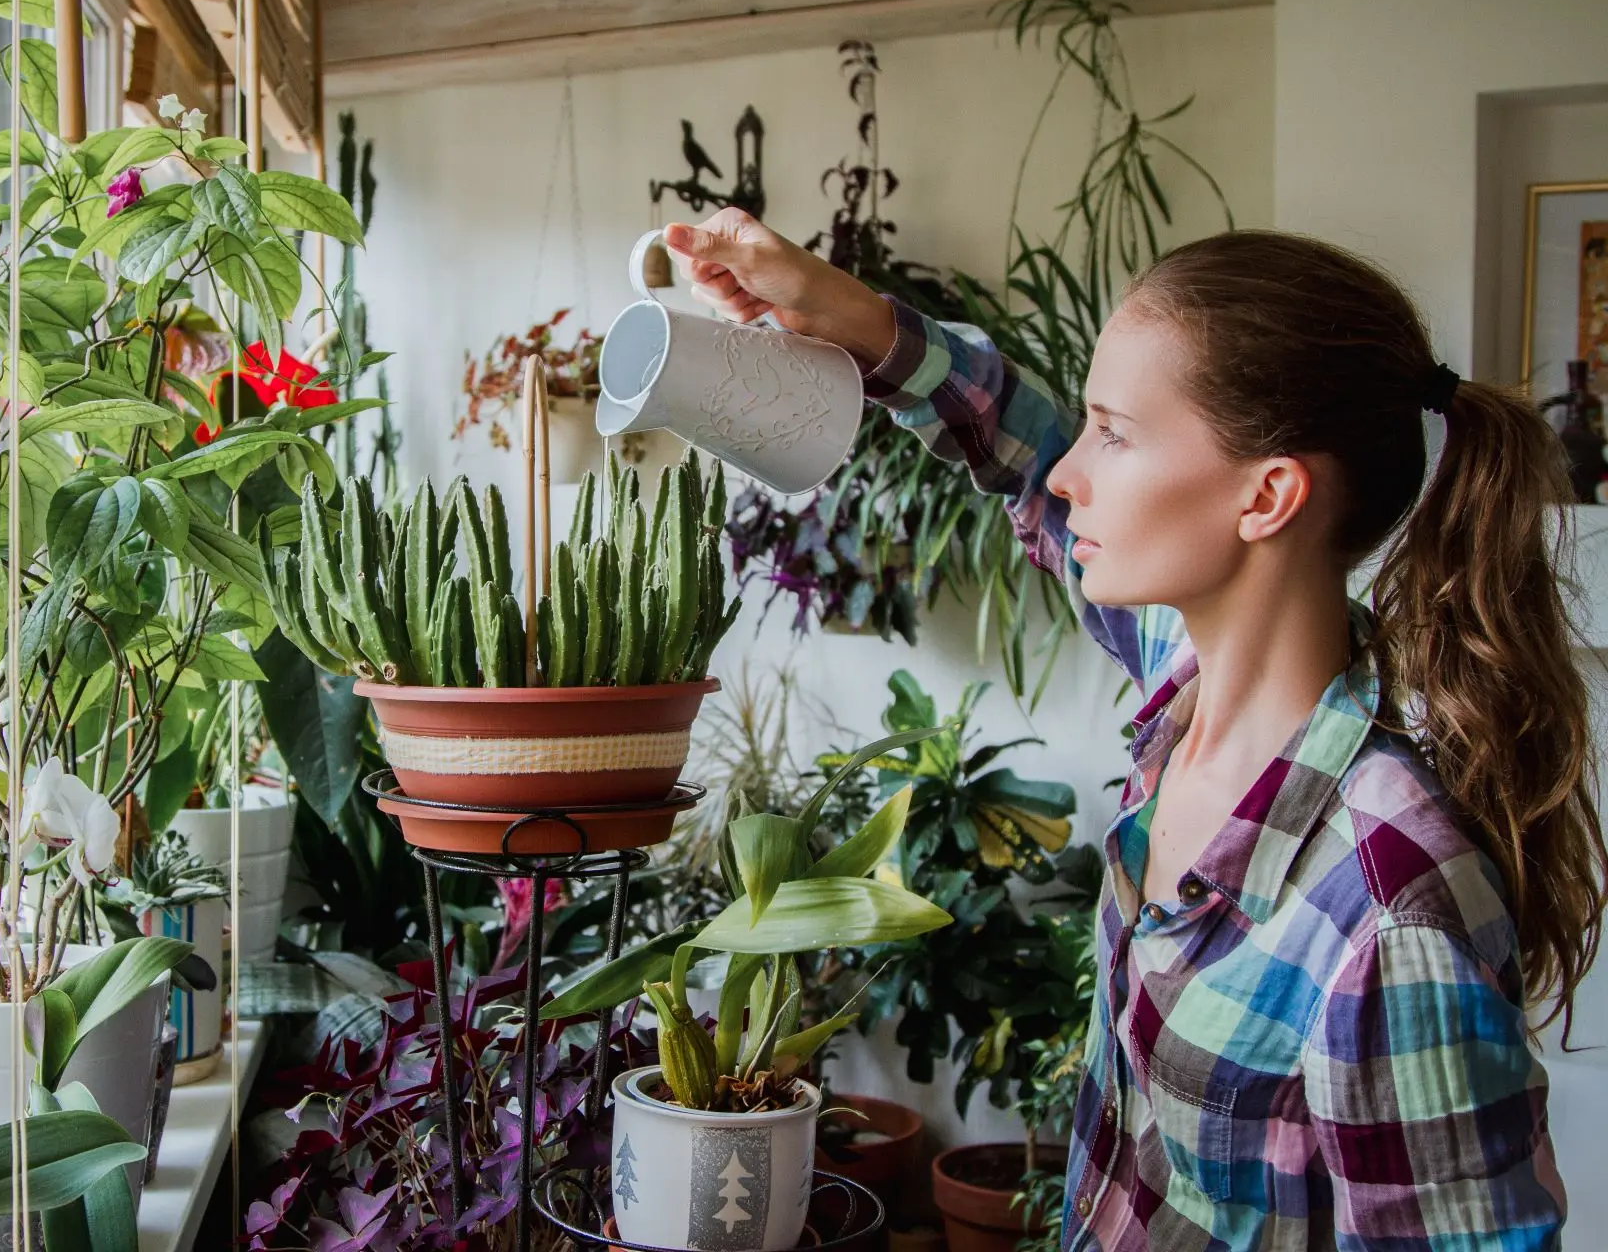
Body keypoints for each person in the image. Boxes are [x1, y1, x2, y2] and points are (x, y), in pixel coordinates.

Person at [662, 209, 1600, 1250]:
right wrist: (849, 316)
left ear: (1268, 494)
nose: (1074, 472)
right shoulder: (1184, 679)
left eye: (1115, 431)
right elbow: (1025, 456)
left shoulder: (1390, 910)